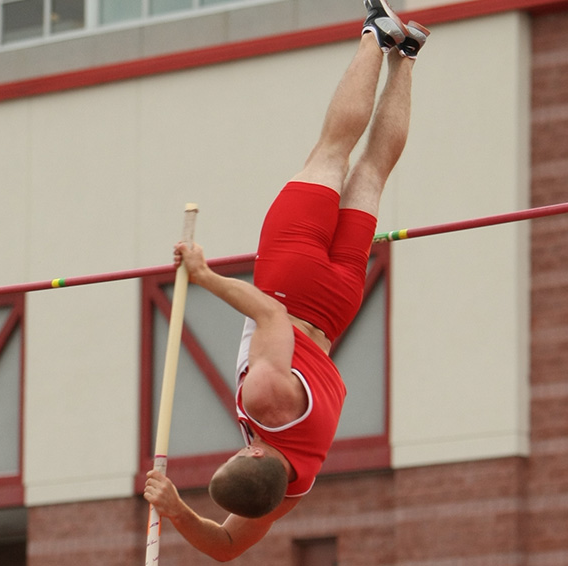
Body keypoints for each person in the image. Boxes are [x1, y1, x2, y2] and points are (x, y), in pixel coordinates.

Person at [143, 0, 428, 561]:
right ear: (250, 457)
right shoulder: (264, 401)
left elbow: (225, 545)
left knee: (371, 175)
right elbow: (269, 315)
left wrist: (178, 512)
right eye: (236, 453)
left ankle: (406, 58)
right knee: (331, 153)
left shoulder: (295, 484)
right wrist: (202, 276)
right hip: (292, 286)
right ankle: (377, 34)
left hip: (339, 304)